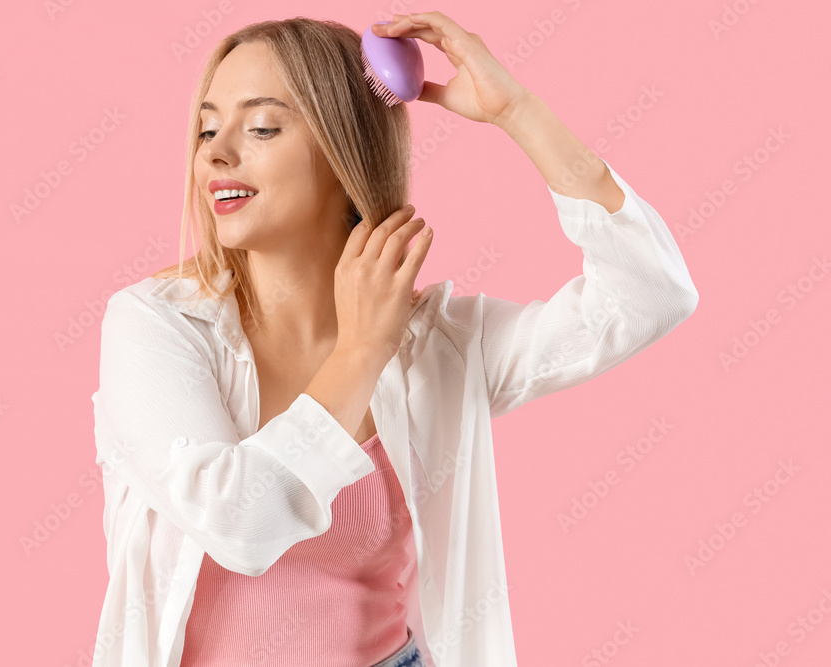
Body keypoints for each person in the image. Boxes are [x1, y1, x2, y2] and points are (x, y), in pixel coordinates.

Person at [90, 11, 699, 667]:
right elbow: (237, 522)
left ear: (344, 147)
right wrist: (358, 352)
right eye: (208, 127)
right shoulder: (155, 325)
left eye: (261, 127)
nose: (214, 151)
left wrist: (517, 111)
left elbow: (650, 294)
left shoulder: (435, 346)